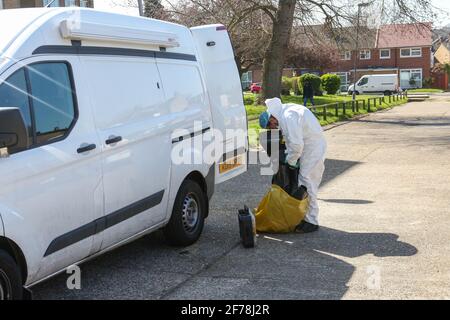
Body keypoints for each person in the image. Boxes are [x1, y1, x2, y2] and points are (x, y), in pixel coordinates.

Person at [259, 97, 327, 233]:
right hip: (311, 146)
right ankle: (305, 216)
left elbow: (296, 145)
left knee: (306, 182)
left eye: (270, 125)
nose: (272, 127)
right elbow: (293, 142)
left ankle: (311, 221)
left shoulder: (288, 116)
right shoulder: (286, 111)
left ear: (271, 117)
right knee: (306, 181)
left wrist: (290, 162)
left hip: (312, 149)